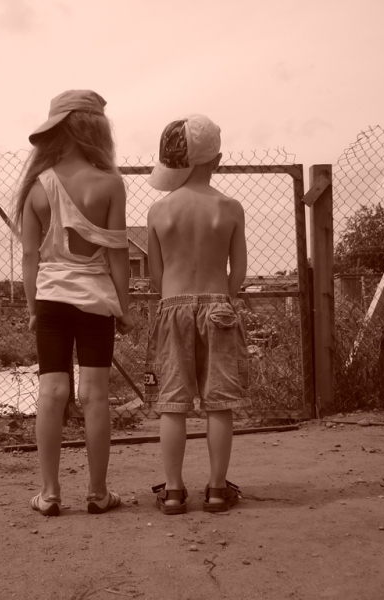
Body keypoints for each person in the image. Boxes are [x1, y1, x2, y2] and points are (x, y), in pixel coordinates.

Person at [13, 89, 134, 516]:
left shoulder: (37, 187)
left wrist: (33, 309)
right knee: (94, 395)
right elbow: (118, 255)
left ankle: (49, 494)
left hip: (51, 300)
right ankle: (98, 493)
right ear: (96, 130)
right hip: (96, 299)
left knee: (52, 392)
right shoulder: (110, 184)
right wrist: (124, 309)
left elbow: (30, 257)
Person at [144, 114, 250, 514]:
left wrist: (175, 299)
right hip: (219, 305)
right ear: (217, 160)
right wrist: (220, 300)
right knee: (219, 402)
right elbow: (238, 272)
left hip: (172, 306)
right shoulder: (230, 208)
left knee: (172, 402)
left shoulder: (159, 211)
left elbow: (156, 276)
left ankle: (173, 491)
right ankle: (217, 489)